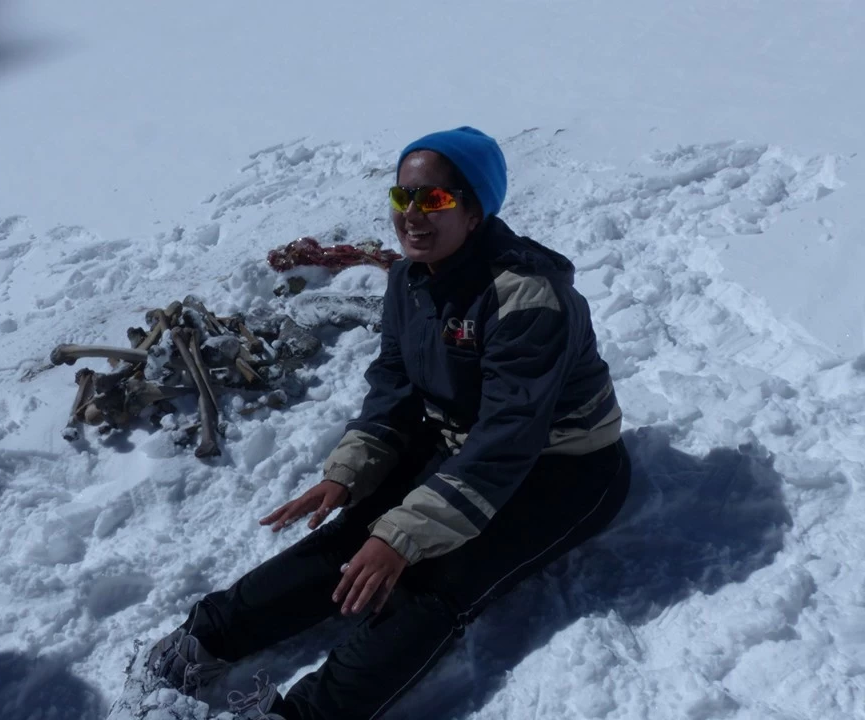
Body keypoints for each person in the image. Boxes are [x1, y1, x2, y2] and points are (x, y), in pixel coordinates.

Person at [141, 127, 631, 720]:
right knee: (353, 536)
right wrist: (349, 474)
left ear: (474, 212)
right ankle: (204, 639)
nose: (413, 215)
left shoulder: (525, 298)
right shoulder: (408, 280)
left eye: (435, 200)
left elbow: (510, 437)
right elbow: (395, 388)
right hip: (464, 441)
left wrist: (400, 536)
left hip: (566, 465)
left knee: (434, 581)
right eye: (404, 198)